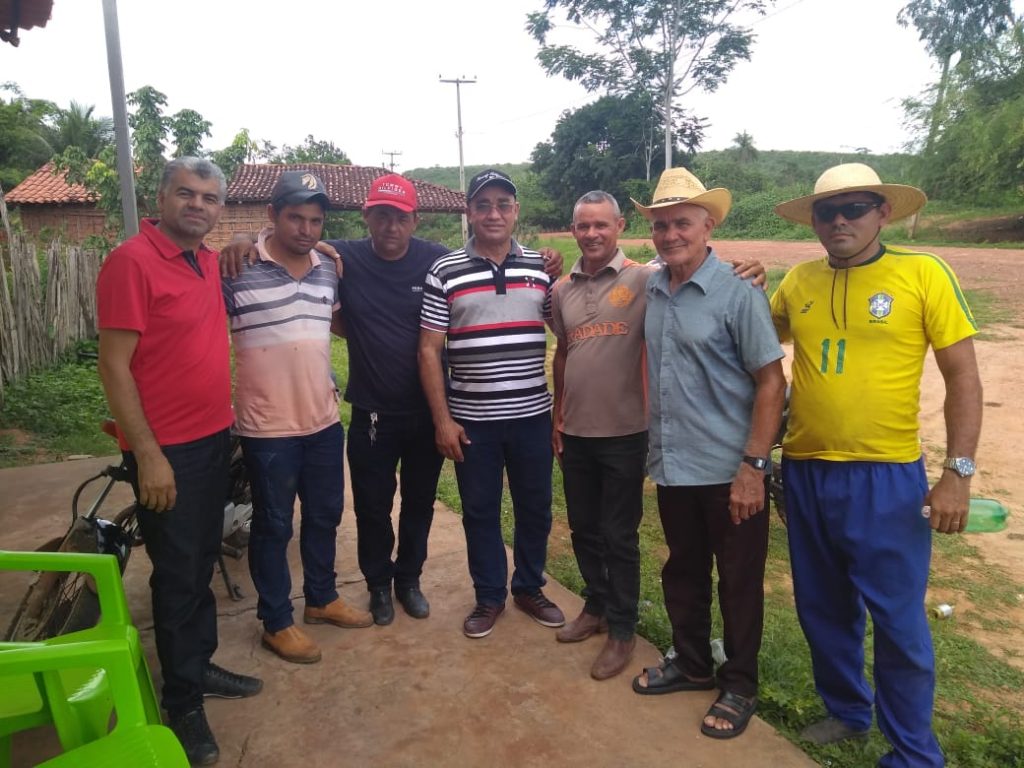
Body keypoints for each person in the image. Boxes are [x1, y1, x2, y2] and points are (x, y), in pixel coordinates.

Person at [222, 173, 564, 628]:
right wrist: (246, 240)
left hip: (427, 411)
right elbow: (292, 240)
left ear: (414, 219)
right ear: (367, 216)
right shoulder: (343, 256)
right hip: (373, 412)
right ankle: (379, 585)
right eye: (381, 215)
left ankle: (409, 580)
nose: (391, 226)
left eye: (401, 217)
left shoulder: (436, 260)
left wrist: (552, 258)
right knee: (372, 507)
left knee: (420, 505)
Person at [770, 163, 982, 767]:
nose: (839, 221)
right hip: (806, 469)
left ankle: (913, 752)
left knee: (897, 620)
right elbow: (754, 340)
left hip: (886, 476)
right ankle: (847, 710)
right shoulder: (799, 281)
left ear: (883, 213)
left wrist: (957, 472)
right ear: (813, 220)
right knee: (822, 606)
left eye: (855, 208)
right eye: (826, 211)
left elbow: (963, 377)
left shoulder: (922, 273)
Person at [96, 156, 262, 765]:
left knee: (199, 562)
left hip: (214, 437)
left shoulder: (206, 261)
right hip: (167, 450)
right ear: (161, 198)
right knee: (177, 572)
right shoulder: (132, 262)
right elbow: (113, 366)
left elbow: (266, 238)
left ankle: (200, 665)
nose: (198, 205)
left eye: (210, 198)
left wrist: (250, 237)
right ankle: (183, 702)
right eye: (186, 194)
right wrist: (148, 455)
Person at [629, 168, 786, 741]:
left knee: (738, 582)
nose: (671, 234)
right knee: (684, 570)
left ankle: (740, 684)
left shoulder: (738, 290)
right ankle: (693, 663)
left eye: (682, 223)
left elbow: (771, 382)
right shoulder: (653, 287)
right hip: (674, 464)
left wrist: (754, 466)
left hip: (731, 470)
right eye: (661, 225)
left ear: (708, 226)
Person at [222, 171, 372, 666]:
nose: (306, 229)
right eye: (295, 218)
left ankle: (322, 598)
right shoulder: (238, 267)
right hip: (268, 427)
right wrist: (240, 238)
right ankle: (276, 621)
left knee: (325, 514)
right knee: (273, 525)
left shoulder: (328, 267)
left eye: (315, 221)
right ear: (272, 215)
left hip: (323, 420)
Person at [418, 168, 566, 639]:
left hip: (531, 416)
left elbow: (564, 330)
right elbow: (429, 350)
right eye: (483, 205)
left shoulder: (541, 269)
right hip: (473, 421)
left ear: (516, 211)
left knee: (535, 507)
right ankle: (488, 596)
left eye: (503, 204)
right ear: (469, 212)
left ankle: (528, 587)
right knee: (480, 510)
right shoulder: (445, 271)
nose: (494, 213)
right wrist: (442, 421)